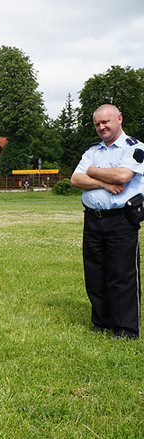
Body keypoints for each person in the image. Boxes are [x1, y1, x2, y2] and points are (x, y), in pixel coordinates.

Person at [70, 104, 144, 339]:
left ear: (119, 119)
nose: (101, 127)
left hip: (121, 220)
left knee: (122, 275)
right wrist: (103, 183)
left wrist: (92, 170)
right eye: (97, 124)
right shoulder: (94, 150)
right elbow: (75, 179)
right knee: (95, 273)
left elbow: (123, 176)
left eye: (106, 122)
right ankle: (101, 323)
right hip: (93, 219)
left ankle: (126, 329)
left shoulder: (134, 148)